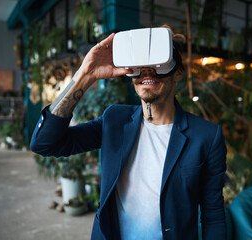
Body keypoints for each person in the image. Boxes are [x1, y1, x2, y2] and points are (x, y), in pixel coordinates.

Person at [30, 27, 227, 240]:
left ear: (178, 71)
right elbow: (44, 144)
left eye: (158, 63)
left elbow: (213, 214)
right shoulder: (115, 120)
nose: (147, 71)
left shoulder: (206, 136)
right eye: (139, 65)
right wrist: (84, 76)